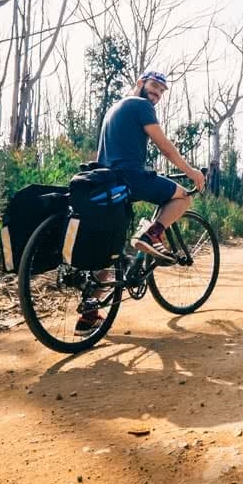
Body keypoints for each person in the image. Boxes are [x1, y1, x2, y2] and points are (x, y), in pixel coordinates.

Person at [77, 70, 205, 334]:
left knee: (110, 248)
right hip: (130, 177)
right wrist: (191, 171)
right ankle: (152, 234)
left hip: (107, 182)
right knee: (183, 196)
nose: (156, 93)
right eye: (154, 85)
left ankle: (88, 316)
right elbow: (164, 146)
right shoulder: (140, 105)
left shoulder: (116, 108)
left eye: (161, 90)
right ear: (140, 83)